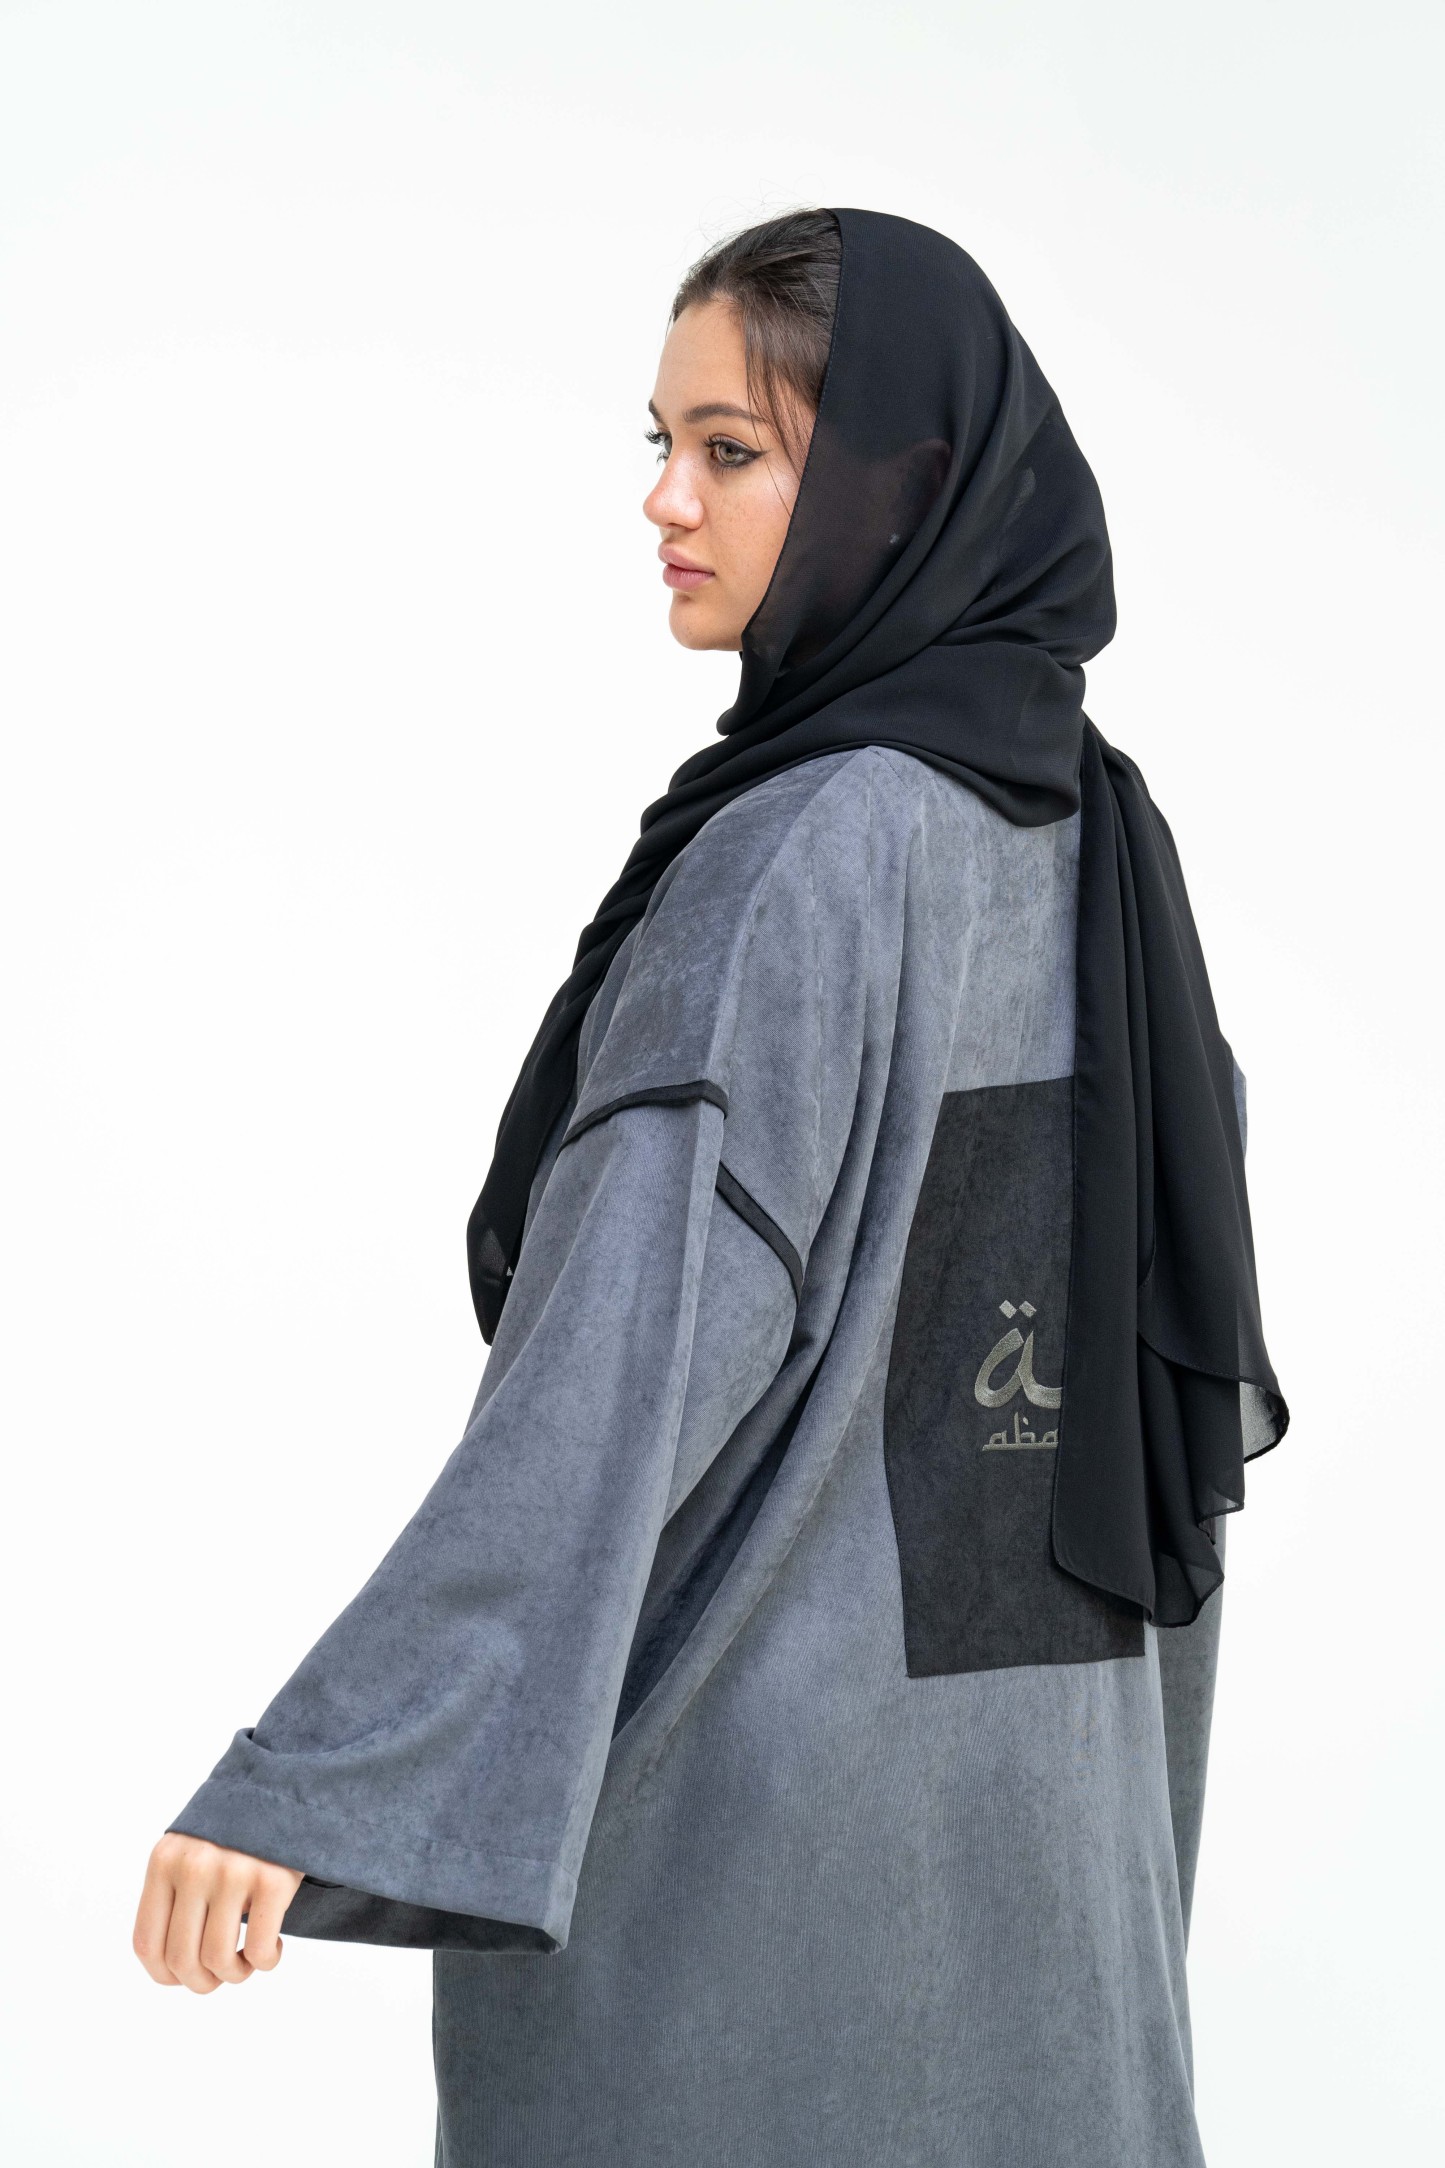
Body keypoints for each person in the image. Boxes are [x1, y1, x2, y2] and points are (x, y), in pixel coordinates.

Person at [134, 207, 1287, 2167]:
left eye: (732, 449)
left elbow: (627, 1365)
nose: (665, 500)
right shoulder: (1101, 854)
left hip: (749, 1933)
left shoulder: (805, 854)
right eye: (660, 442)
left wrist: (324, 1770)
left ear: (902, 480)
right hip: (1039, 1925)